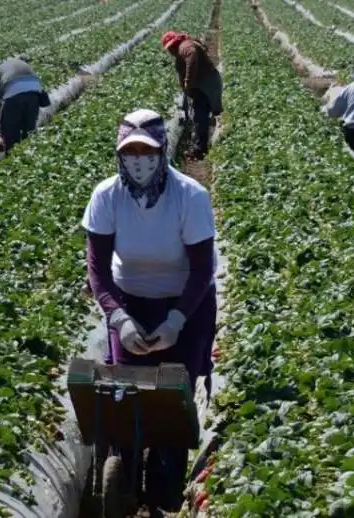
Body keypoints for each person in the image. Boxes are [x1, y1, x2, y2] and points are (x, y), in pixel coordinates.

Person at [81, 109, 217, 513]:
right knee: (125, 394)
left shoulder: (189, 196)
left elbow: (201, 270)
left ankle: (166, 486)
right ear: (119, 155)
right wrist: (118, 319)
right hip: (130, 301)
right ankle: (125, 468)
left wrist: (176, 321)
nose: (139, 160)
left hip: (184, 305)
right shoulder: (107, 196)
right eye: (131, 152)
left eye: (148, 151)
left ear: (163, 152)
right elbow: (97, 270)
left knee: (173, 398)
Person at [161, 31, 223, 159]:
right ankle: (201, 146)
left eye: (171, 47)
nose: (170, 51)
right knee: (201, 115)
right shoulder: (181, 50)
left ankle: (200, 148)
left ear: (175, 43)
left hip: (208, 83)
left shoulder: (185, 47)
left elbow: (192, 57)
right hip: (203, 84)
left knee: (202, 115)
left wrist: (188, 82)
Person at [0, 58, 51, 153]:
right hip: (34, 93)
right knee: (29, 130)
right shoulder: (19, 64)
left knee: (10, 133)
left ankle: (12, 158)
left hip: (13, 94)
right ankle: (29, 156)